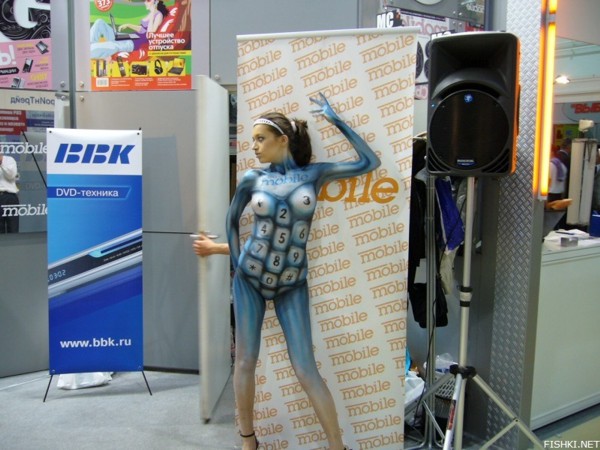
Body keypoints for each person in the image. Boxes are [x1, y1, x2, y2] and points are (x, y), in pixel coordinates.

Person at [226, 94, 380, 450]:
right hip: (249, 278)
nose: (254, 147)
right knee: (245, 360)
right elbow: (231, 221)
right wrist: (237, 264)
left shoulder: (315, 174)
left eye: (261, 139)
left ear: (283, 140)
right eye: (253, 140)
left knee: (305, 367)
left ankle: (336, 445)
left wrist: (335, 119)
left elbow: (369, 162)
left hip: (292, 281)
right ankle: (249, 440)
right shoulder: (252, 178)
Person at [90, 0, 169, 59]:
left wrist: (152, 14)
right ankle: (90, 43)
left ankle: (91, 49)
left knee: (111, 44)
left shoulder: (159, 15)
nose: (145, 2)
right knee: (99, 22)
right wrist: (129, 25)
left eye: (148, 0)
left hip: (135, 43)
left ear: (156, 2)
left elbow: (149, 34)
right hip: (133, 36)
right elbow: (142, 30)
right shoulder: (151, 13)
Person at [0, 153, 20, 233]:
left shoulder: (9, 160)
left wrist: (1, 162)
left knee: (13, 228)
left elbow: (11, 175)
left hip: (9, 197)